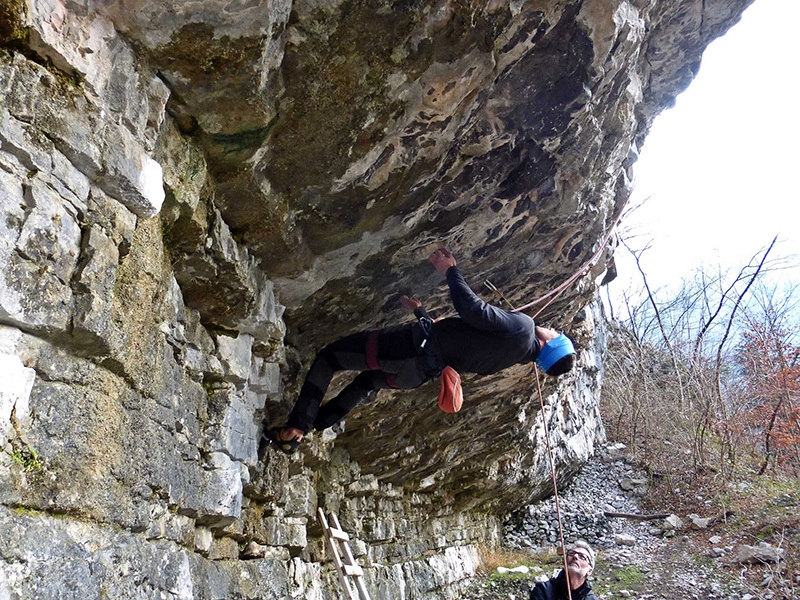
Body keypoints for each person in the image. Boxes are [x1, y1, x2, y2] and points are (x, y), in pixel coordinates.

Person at [264, 247, 577, 454]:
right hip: (416, 373)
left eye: (557, 334)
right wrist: (421, 312)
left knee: (329, 358)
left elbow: (472, 310)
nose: (554, 329)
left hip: (406, 348)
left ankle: (297, 429)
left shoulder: (523, 328)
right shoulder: (512, 359)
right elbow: (457, 344)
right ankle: (314, 425)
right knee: (364, 383)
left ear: (551, 343)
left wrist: (451, 270)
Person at [530, 541, 598, 600]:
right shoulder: (543, 590)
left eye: (582, 557)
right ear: (564, 562)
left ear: (589, 570)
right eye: (572, 553)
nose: (575, 556)